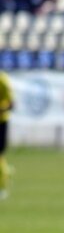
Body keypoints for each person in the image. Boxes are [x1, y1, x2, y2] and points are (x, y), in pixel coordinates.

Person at [0, 69, 14, 200]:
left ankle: (2, 186)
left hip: (1, 121)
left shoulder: (2, 80)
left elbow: (11, 104)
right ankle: (6, 173)